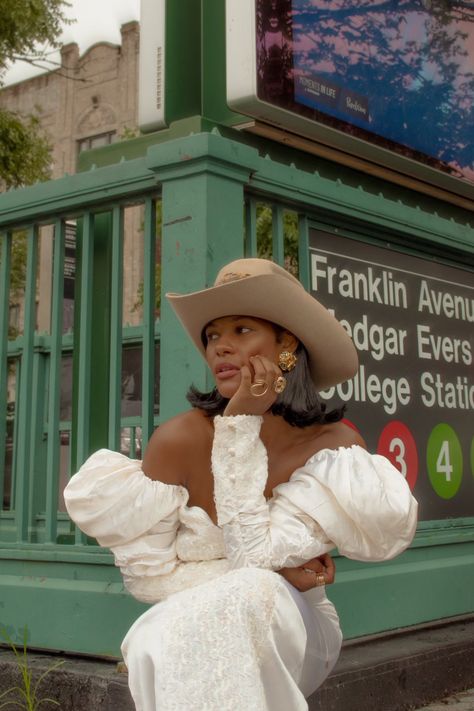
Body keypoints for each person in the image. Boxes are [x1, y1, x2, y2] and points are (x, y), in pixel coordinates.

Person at [64, 258, 418, 711]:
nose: (220, 348)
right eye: (213, 335)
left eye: (242, 330)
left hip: (295, 625)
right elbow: (148, 581)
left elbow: (253, 554)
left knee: (253, 593)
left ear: (287, 342)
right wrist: (273, 569)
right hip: (193, 626)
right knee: (169, 627)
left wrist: (238, 428)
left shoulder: (333, 448)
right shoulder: (179, 439)